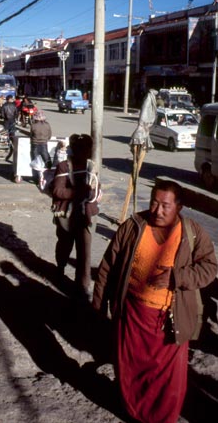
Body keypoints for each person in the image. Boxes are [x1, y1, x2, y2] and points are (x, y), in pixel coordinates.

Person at [92, 179, 217, 423]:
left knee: (168, 380)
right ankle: (135, 413)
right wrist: (98, 306)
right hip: (133, 316)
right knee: (131, 372)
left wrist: (178, 277)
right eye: (154, 203)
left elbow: (209, 268)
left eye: (165, 205)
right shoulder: (133, 227)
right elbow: (108, 267)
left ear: (179, 206)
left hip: (170, 320)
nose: (157, 210)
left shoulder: (191, 233)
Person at [52, 134, 101, 300]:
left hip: (85, 214)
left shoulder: (91, 166)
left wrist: (94, 193)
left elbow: (96, 187)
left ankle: (83, 285)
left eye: (86, 149)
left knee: (85, 251)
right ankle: (60, 268)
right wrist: (80, 192)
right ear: (73, 150)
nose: (84, 152)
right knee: (65, 245)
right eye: (80, 149)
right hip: (67, 214)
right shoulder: (64, 167)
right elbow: (58, 191)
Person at [30, 110, 52, 183]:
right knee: (47, 160)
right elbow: (49, 135)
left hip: (35, 144)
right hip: (44, 144)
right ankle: (48, 176)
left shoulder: (33, 125)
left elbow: (31, 135)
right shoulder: (47, 125)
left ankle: (36, 178)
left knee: (35, 162)